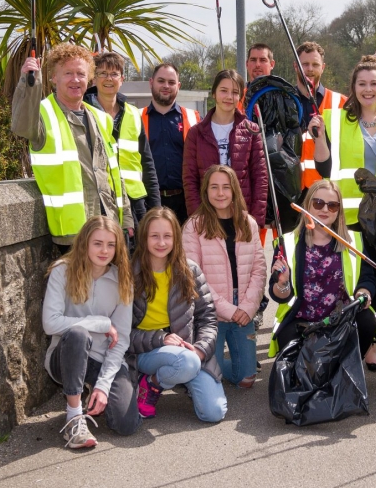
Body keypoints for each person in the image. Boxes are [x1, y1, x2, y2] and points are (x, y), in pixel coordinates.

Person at [315, 55, 376, 370]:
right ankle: (342, 338)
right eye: (362, 84)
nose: (368, 89)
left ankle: (370, 345)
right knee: (346, 280)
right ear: (353, 87)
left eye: (374, 83)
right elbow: (324, 166)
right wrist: (317, 137)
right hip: (348, 216)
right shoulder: (334, 119)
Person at [13, 43, 133, 247]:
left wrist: (127, 218)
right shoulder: (43, 113)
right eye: (68, 73)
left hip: (110, 227)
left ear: (90, 78)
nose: (75, 79)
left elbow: (113, 173)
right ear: (53, 77)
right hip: (73, 234)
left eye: (80, 73)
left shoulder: (101, 118)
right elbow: (21, 126)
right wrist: (28, 81)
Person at [42, 216, 140, 448]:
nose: (104, 250)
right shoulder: (62, 271)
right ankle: (74, 417)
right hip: (66, 357)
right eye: (97, 243)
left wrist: (103, 386)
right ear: (85, 242)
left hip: (101, 359)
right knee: (78, 333)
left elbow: (122, 339)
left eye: (111, 244)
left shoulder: (122, 280)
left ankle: (91, 391)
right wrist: (101, 323)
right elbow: (50, 323)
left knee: (127, 425)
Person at [130, 207, 227, 422]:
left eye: (167, 236)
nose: (161, 243)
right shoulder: (129, 274)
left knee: (213, 413)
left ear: (176, 238)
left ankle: (163, 379)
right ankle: (151, 381)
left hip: (188, 350)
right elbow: (121, 332)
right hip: (145, 350)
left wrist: (201, 350)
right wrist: (160, 338)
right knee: (187, 364)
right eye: (154, 236)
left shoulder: (189, 270)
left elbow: (208, 318)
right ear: (144, 237)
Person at [268, 180, 376, 363]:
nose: (325, 210)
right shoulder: (286, 243)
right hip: (301, 319)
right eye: (318, 203)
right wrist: (282, 284)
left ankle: (344, 367)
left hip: (341, 318)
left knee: (367, 321)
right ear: (308, 206)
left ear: (339, 211)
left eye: (333, 205)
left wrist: (364, 292)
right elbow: (280, 297)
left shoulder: (354, 241)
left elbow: (367, 278)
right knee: (294, 363)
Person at [182, 165, 266, 389]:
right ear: (206, 191)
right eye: (214, 187)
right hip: (209, 311)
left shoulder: (248, 223)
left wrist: (247, 308)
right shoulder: (194, 226)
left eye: (226, 187)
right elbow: (193, 277)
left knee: (247, 379)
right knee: (212, 378)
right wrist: (228, 310)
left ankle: (218, 364)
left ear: (234, 191)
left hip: (243, 308)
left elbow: (259, 268)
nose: (220, 193)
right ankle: (204, 367)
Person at [182, 69, 268, 228]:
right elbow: (190, 179)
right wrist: (197, 217)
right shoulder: (196, 133)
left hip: (242, 217)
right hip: (208, 218)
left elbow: (260, 178)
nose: (229, 97)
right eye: (223, 91)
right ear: (213, 93)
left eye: (235, 92)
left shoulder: (251, 131)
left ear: (240, 97)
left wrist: (255, 219)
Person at [85, 51, 161, 225]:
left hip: (135, 201)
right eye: (102, 73)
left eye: (114, 74)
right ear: (94, 79)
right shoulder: (84, 112)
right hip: (102, 199)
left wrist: (155, 207)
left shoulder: (133, 114)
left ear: (122, 79)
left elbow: (147, 163)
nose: (108, 79)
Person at [142, 63, 200, 224]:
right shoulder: (135, 118)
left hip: (186, 203)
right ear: (151, 82)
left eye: (171, 82)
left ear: (178, 86)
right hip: (149, 202)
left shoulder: (194, 118)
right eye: (161, 81)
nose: (166, 86)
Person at [294, 41, 347, 188]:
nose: (309, 69)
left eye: (315, 65)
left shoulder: (342, 103)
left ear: (323, 68)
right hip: (291, 190)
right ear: (295, 66)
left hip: (328, 189)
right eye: (304, 64)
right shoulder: (283, 101)